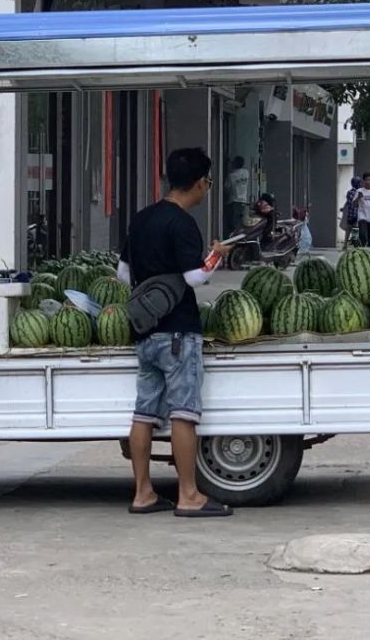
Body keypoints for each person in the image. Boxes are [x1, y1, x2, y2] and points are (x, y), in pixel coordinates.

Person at [117, 147, 233, 518]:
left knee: (144, 413)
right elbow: (194, 277)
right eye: (208, 183)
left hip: (145, 331)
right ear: (200, 182)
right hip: (179, 334)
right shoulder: (182, 223)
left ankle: (143, 493)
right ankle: (188, 495)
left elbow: (122, 274)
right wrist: (217, 254)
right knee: (184, 413)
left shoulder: (140, 219)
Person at [224, 156, 249, 235]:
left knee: (232, 223)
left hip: (234, 201)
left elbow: (226, 188)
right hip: (243, 201)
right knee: (240, 223)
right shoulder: (246, 172)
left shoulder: (231, 176)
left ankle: (232, 238)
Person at [340, 176, 362, 249]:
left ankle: (345, 245)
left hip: (350, 215)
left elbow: (348, 202)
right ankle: (356, 246)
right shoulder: (359, 192)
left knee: (348, 230)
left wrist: (343, 208)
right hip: (356, 215)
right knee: (356, 231)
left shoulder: (349, 192)